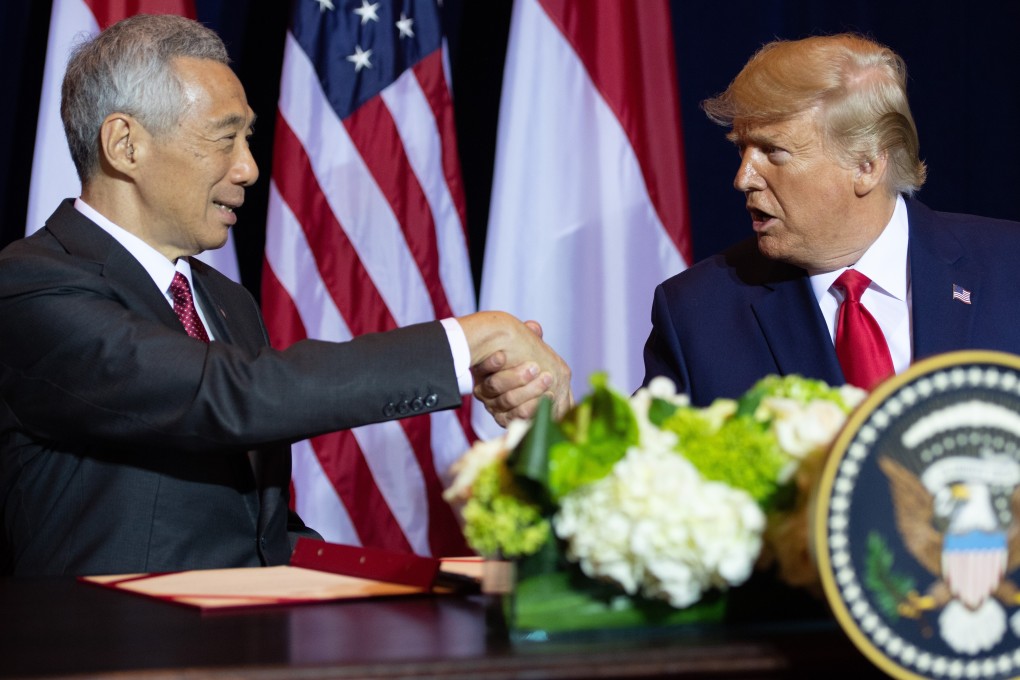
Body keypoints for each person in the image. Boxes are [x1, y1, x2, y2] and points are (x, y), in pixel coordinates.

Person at [0, 14, 571, 577]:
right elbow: (227, 397)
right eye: (225, 139)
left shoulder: (225, 302)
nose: (248, 167)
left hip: (250, 652)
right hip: (114, 660)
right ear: (125, 144)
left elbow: (262, 533)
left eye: (248, 138)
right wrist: (463, 344)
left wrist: (423, 583)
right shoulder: (29, 285)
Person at [642, 33, 1020, 407]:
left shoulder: (1009, 269)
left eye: (774, 151)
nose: (743, 178)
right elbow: (644, 462)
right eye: (743, 149)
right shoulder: (696, 316)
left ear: (866, 165)